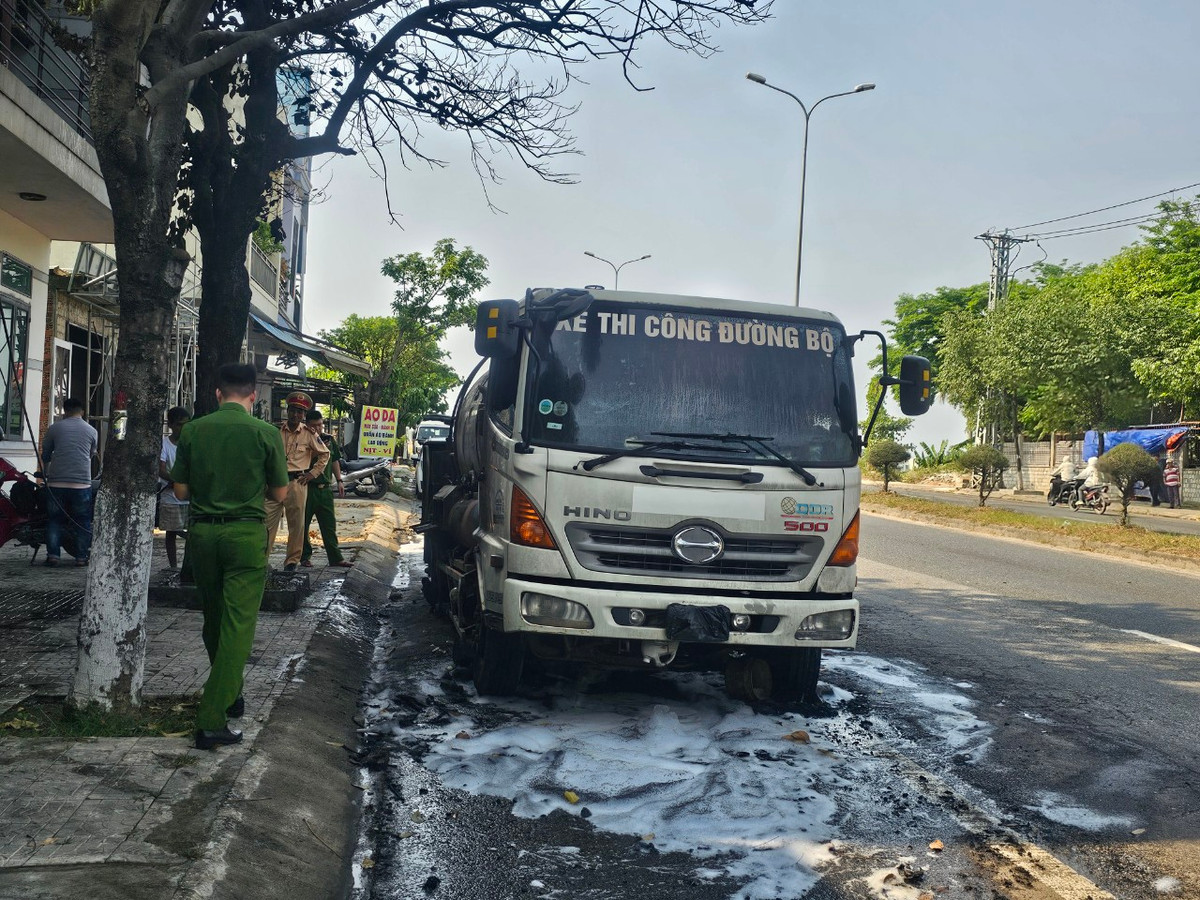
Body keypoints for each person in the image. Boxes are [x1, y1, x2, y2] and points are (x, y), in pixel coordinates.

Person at [171, 363, 289, 751]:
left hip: (202, 534)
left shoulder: (192, 430)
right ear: (253, 397)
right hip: (244, 534)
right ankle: (211, 718)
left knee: (214, 618)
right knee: (238, 625)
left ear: (217, 394)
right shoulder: (266, 433)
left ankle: (230, 693)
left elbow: (181, 492)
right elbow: (280, 496)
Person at [265, 391, 329, 572]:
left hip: (297, 483)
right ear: (287, 410)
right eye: (293, 410)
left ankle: (291, 561)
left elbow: (325, 453)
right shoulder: (275, 430)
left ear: (304, 415)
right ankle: (262, 559)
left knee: (297, 524)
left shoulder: (309, 434)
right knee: (267, 522)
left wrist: (312, 474)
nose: (295, 415)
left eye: (300, 412)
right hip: (275, 483)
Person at [41, 397, 98, 567]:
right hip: (81, 484)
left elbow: (46, 454)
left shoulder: (54, 428)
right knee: (83, 521)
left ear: (65, 411)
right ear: (82, 411)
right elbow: (91, 454)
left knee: (54, 520)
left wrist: (46, 471)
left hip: (56, 482)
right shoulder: (91, 430)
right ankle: (81, 557)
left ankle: (53, 556)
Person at [300, 409, 352, 569]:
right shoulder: (301, 439)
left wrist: (339, 480)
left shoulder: (328, 440)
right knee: (302, 525)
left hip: (325, 489)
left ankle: (335, 557)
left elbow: (335, 460)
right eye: (314, 425)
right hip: (306, 488)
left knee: (329, 525)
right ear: (307, 425)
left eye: (320, 424)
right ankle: (304, 556)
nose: (318, 428)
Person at [158, 406, 191, 570]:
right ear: (170, 425)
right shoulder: (164, 444)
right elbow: (161, 468)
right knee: (171, 531)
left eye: (186, 424)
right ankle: (173, 566)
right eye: (179, 424)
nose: (183, 428)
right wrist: (176, 480)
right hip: (170, 495)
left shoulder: (191, 443)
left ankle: (187, 565)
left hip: (189, 496)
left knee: (188, 529)